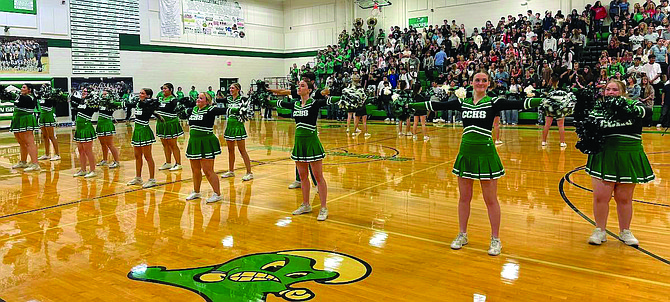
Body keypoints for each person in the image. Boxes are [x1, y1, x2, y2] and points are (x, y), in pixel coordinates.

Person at [409, 72, 543, 256]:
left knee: (491, 200)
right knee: (464, 198)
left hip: (486, 153)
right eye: (477, 80)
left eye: (484, 80)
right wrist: (408, 105)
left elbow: (520, 104)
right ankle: (462, 234)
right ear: (471, 83)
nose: (480, 83)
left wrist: (545, 101)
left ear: (489, 84)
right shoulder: (461, 102)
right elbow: (436, 105)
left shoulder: (495, 102)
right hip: (466, 152)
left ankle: (496, 239)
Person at [586, 80, 655, 246]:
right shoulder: (598, 109)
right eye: (608, 89)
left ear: (623, 92)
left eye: (615, 89)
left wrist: (625, 107)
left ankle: (625, 231)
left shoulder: (634, 106)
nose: (610, 92)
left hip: (628, 154)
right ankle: (600, 230)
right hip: (605, 155)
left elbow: (648, 112)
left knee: (624, 198)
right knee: (601, 197)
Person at [274, 80, 336, 221]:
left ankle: (323, 207)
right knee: (302, 177)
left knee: (318, 177)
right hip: (299, 142)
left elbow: (332, 100)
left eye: (302, 86)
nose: (299, 88)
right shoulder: (294, 104)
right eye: (298, 86)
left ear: (309, 90)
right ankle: (306, 204)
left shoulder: (314, 103)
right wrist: (262, 99)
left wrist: (348, 95)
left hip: (311, 142)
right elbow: (277, 103)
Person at [185, 92, 228, 203]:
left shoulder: (211, 109)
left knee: (208, 170)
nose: (198, 99)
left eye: (201, 98)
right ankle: (196, 191)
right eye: (198, 98)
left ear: (207, 101)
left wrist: (237, 110)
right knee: (195, 169)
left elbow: (224, 110)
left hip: (206, 141)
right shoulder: (193, 110)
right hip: (194, 141)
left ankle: (217, 194)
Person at [127, 88, 162, 188]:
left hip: (144, 130)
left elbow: (153, 106)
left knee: (148, 156)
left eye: (142, 93)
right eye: (140, 93)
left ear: (147, 96)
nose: (140, 94)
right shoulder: (138, 103)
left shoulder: (149, 105)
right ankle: (138, 177)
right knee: (137, 156)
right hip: (137, 130)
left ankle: (152, 179)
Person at [220, 83, 253, 181]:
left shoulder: (243, 100)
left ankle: (249, 172)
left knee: (242, 150)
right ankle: (231, 171)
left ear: (238, 89)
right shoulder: (228, 99)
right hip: (229, 125)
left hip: (238, 126)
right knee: (230, 150)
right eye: (230, 88)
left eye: (232, 88)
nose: (230, 89)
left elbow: (248, 113)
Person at [10, 84, 40, 172]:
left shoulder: (30, 97)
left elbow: (21, 99)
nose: (21, 89)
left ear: (29, 90)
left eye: (24, 87)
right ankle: (23, 162)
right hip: (17, 118)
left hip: (26, 119)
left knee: (29, 142)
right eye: (21, 87)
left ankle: (35, 164)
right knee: (21, 142)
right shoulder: (21, 97)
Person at [70, 88, 98, 178]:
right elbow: (72, 99)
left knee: (88, 150)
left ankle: (93, 170)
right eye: (83, 91)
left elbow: (96, 108)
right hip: (79, 128)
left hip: (86, 127)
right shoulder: (81, 101)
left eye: (85, 91)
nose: (83, 93)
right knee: (80, 150)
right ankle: (83, 170)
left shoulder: (91, 103)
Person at [155, 83, 184, 171]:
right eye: (162, 89)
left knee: (172, 144)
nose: (163, 90)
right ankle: (168, 163)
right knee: (165, 144)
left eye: (165, 89)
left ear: (170, 90)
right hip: (161, 124)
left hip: (170, 124)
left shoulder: (173, 100)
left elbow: (180, 109)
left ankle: (178, 163)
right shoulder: (160, 99)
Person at [95, 90, 122, 168]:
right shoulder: (100, 102)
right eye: (103, 94)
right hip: (100, 123)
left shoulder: (111, 103)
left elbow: (119, 104)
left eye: (105, 94)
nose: (104, 95)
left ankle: (117, 161)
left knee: (110, 144)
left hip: (107, 124)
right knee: (102, 144)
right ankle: (104, 160)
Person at [37, 84, 61, 162]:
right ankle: (47, 154)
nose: (42, 88)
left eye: (44, 87)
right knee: (44, 136)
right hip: (42, 115)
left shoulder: (51, 97)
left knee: (51, 136)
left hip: (48, 116)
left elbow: (54, 103)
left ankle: (57, 154)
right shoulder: (40, 96)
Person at [541, 77, 567, 147]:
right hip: (558, 108)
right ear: (558, 81)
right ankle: (562, 142)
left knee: (547, 125)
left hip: (549, 108)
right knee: (561, 126)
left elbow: (544, 98)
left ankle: (543, 141)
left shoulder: (548, 89)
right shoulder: (561, 90)